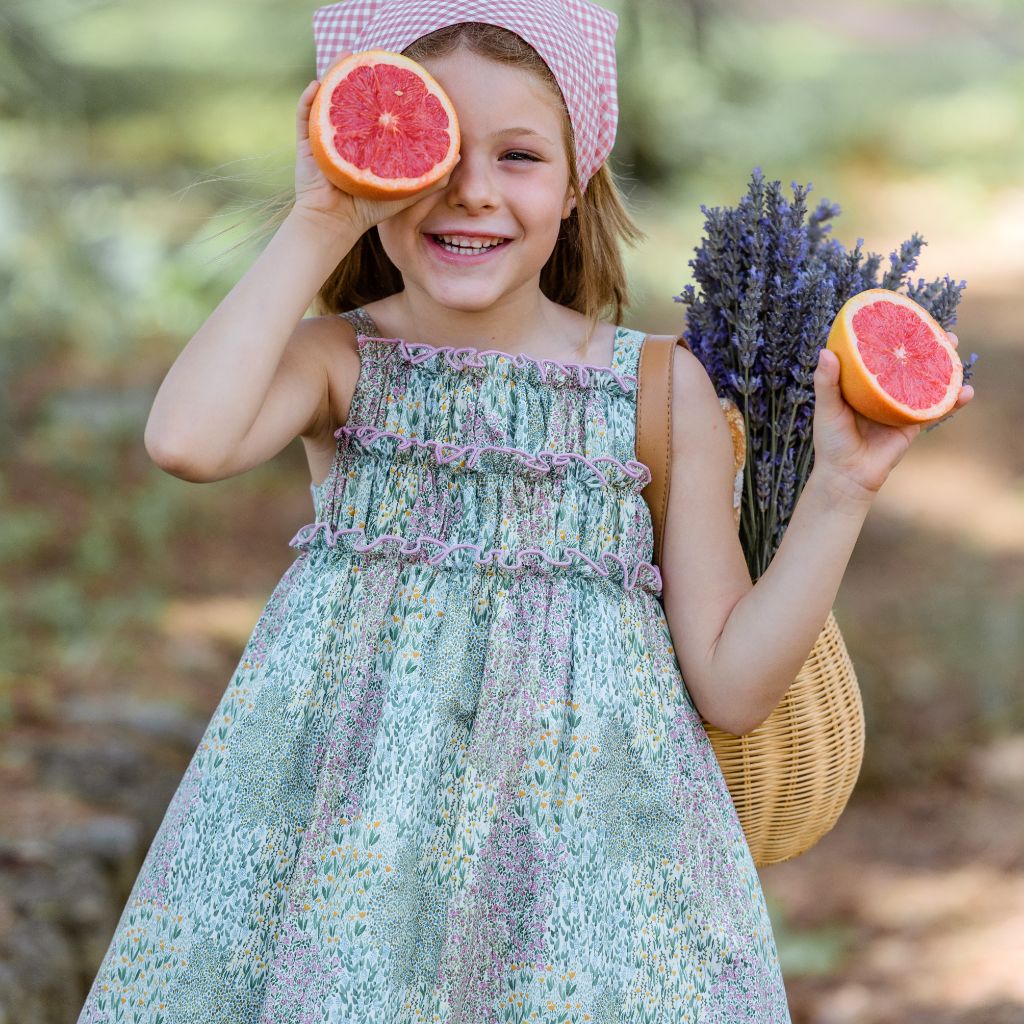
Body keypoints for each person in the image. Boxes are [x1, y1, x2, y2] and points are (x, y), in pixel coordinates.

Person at [76, 0, 975, 1021]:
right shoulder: (340, 363)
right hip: (350, 879)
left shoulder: (653, 388)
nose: (471, 191)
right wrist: (321, 218)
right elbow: (185, 441)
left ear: (577, 177)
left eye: (518, 156)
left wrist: (840, 491)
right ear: (374, 161)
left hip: (585, 892)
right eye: (435, 149)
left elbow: (729, 681)